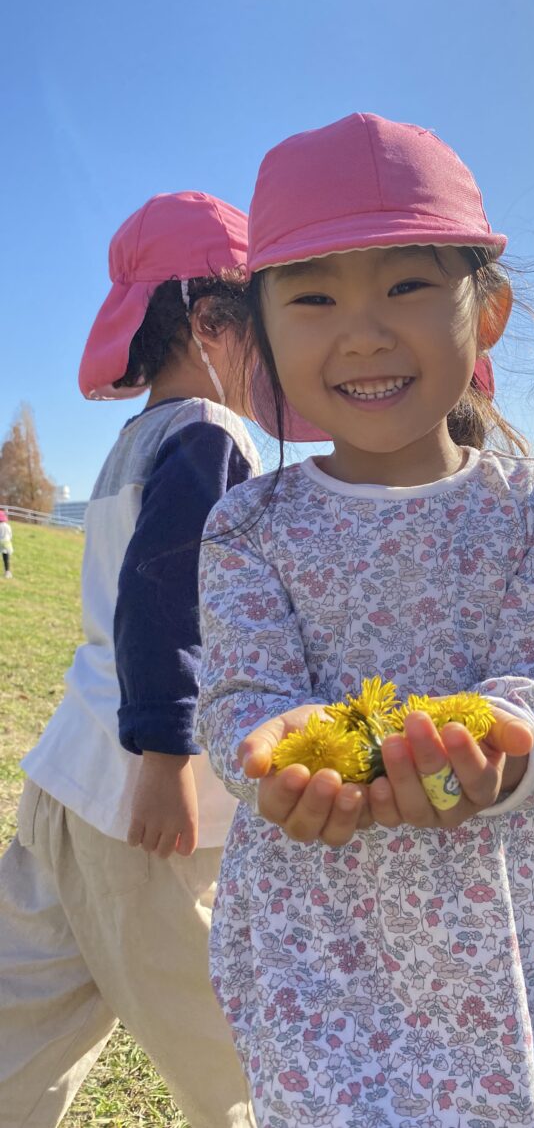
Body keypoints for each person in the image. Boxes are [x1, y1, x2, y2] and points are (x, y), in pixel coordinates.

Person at [195, 113, 534, 1128]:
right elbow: (243, 692)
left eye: (408, 286)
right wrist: (266, 750)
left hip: (520, 896)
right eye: (314, 295)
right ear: (263, 332)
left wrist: (505, 743)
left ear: (490, 309)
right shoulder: (248, 522)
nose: (364, 330)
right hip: (324, 918)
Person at [0, 192, 285, 1127]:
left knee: (21, 1014)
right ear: (210, 321)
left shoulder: (135, 440)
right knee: (225, 1047)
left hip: (66, 778)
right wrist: (166, 758)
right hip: (144, 803)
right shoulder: (210, 432)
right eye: (266, 326)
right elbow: (169, 600)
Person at [0, 511, 12, 578]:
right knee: (6, 558)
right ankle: (7, 572)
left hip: (0, 541)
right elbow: (10, 535)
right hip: (7, 542)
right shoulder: (8, 526)